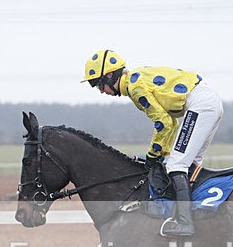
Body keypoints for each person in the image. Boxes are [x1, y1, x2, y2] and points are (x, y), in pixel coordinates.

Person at [82, 49, 224, 236]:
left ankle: (185, 222)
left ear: (109, 75)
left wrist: (152, 155)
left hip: (200, 104)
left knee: (176, 165)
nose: (101, 91)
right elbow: (170, 123)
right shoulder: (135, 80)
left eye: (98, 84)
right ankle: (197, 216)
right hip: (208, 102)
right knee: (189, 165)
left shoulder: (135, 87)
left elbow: (163, 123)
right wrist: (160, 153)